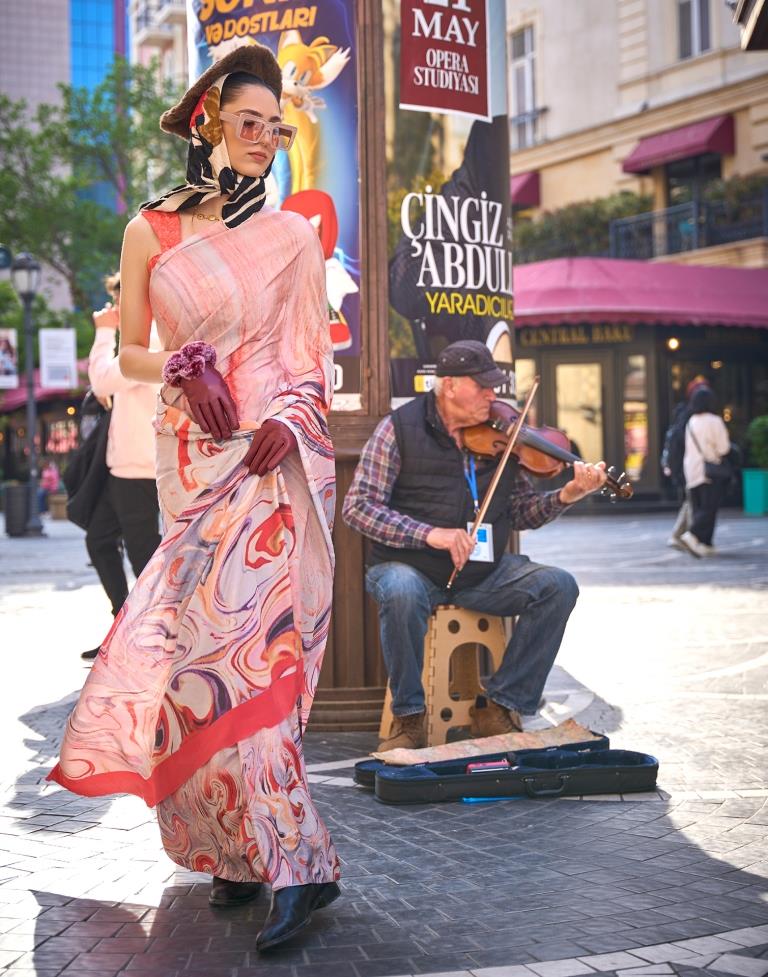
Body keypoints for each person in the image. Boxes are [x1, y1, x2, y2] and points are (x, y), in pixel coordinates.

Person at [49, 44, 339, 952]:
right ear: (209, 120)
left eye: (275, 128)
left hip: (265, 466)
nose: (262, 139)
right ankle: (233, 854)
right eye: (248, 122)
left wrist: (290, 422)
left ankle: (302, 864)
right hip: (189, 461)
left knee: (258, 661)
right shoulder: (150, 230)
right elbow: (130, 349)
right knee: (195, 670)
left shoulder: (293, 235)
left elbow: (309, 358)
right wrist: (177, 362)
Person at [342, 340, 609, 753]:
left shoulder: (503, 439)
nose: (492, 395)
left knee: (559, 585)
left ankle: (501, 703)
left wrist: (568, 494)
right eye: (482, 386)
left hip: (482, 573)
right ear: (448, 386)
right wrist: (430, 534)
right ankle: (410, 714)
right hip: (409, 566)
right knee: (400, 591)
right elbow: (358, 508)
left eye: (494, 386)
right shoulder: (398, 429)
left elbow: (521, 513)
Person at [81, 272, 162, 660]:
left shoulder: (146, 343)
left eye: (120, 302)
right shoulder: (138, 340)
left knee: (146, 556)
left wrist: (101, 333)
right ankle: (123, 625)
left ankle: (151, 639)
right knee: (99, 540)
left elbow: (101, 380)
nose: (115, 310)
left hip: (139, 468)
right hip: (123, 466)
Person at [679, 386, 731, 558]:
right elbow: (724, 448)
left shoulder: (691, 421)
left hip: (692, 470)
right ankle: (693, 535)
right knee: (710, 508)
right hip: (710, 470)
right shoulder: (714, 421)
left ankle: (706, 543)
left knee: (700, 507)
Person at [661, 375, 710, 550]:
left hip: (686, 464)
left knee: (691, 500)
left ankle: (684, 536)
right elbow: (679, 442)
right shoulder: (690, 415)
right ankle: (685, 536)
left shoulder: (684, 412)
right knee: (693, 501)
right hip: (689, 465)